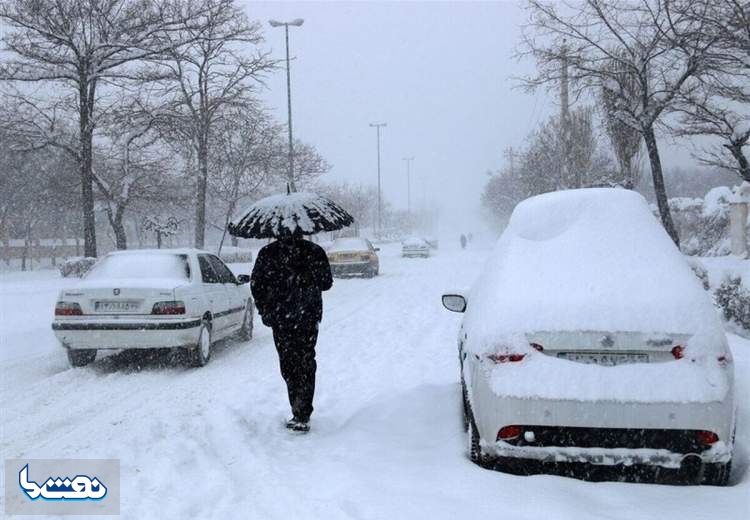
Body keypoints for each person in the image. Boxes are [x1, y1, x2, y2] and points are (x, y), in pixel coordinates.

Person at [250, 231, 333, 432]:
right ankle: (302, 411)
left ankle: (298, 407)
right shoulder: (314, 251)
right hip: (307, 317)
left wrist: (266, 310)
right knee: (305, 361)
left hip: (282, 319)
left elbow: (256, 285)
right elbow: (326, 283)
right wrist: (307, 276)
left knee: (288, 363)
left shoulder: (268, 253)